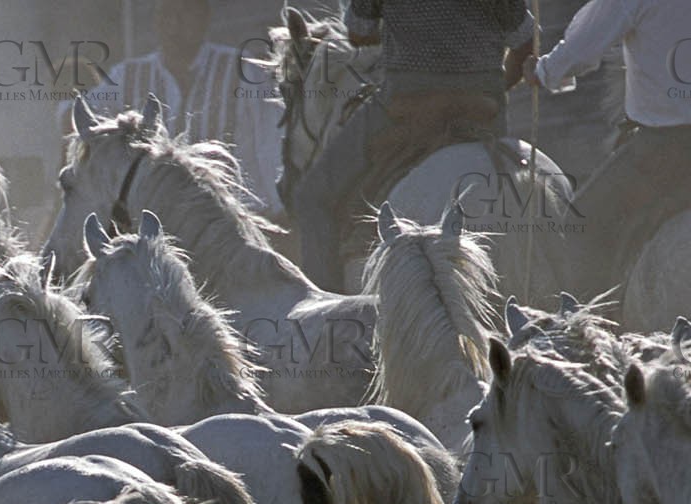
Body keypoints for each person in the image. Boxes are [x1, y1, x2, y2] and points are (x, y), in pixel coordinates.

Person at [293, 0, 535, 290]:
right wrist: (494, 88)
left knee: (313, 196)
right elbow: (526, 45)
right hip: (483, 109)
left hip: (407, 104)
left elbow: (358, 33)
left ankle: (329, 317)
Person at [524, 0, 691, 300]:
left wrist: (544, 70)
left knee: (581, 224)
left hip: (665, 150)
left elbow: (580, 50)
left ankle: (590, 325)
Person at [73, 0, 286, 218]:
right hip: (157, 219)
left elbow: (270, 144)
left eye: (185, 14)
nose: (174, 25)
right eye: (166, 15)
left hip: (232, 218)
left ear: (204, 18)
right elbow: (80, 116)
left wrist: (279, 210)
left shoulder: (243, 72)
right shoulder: (128, 76)